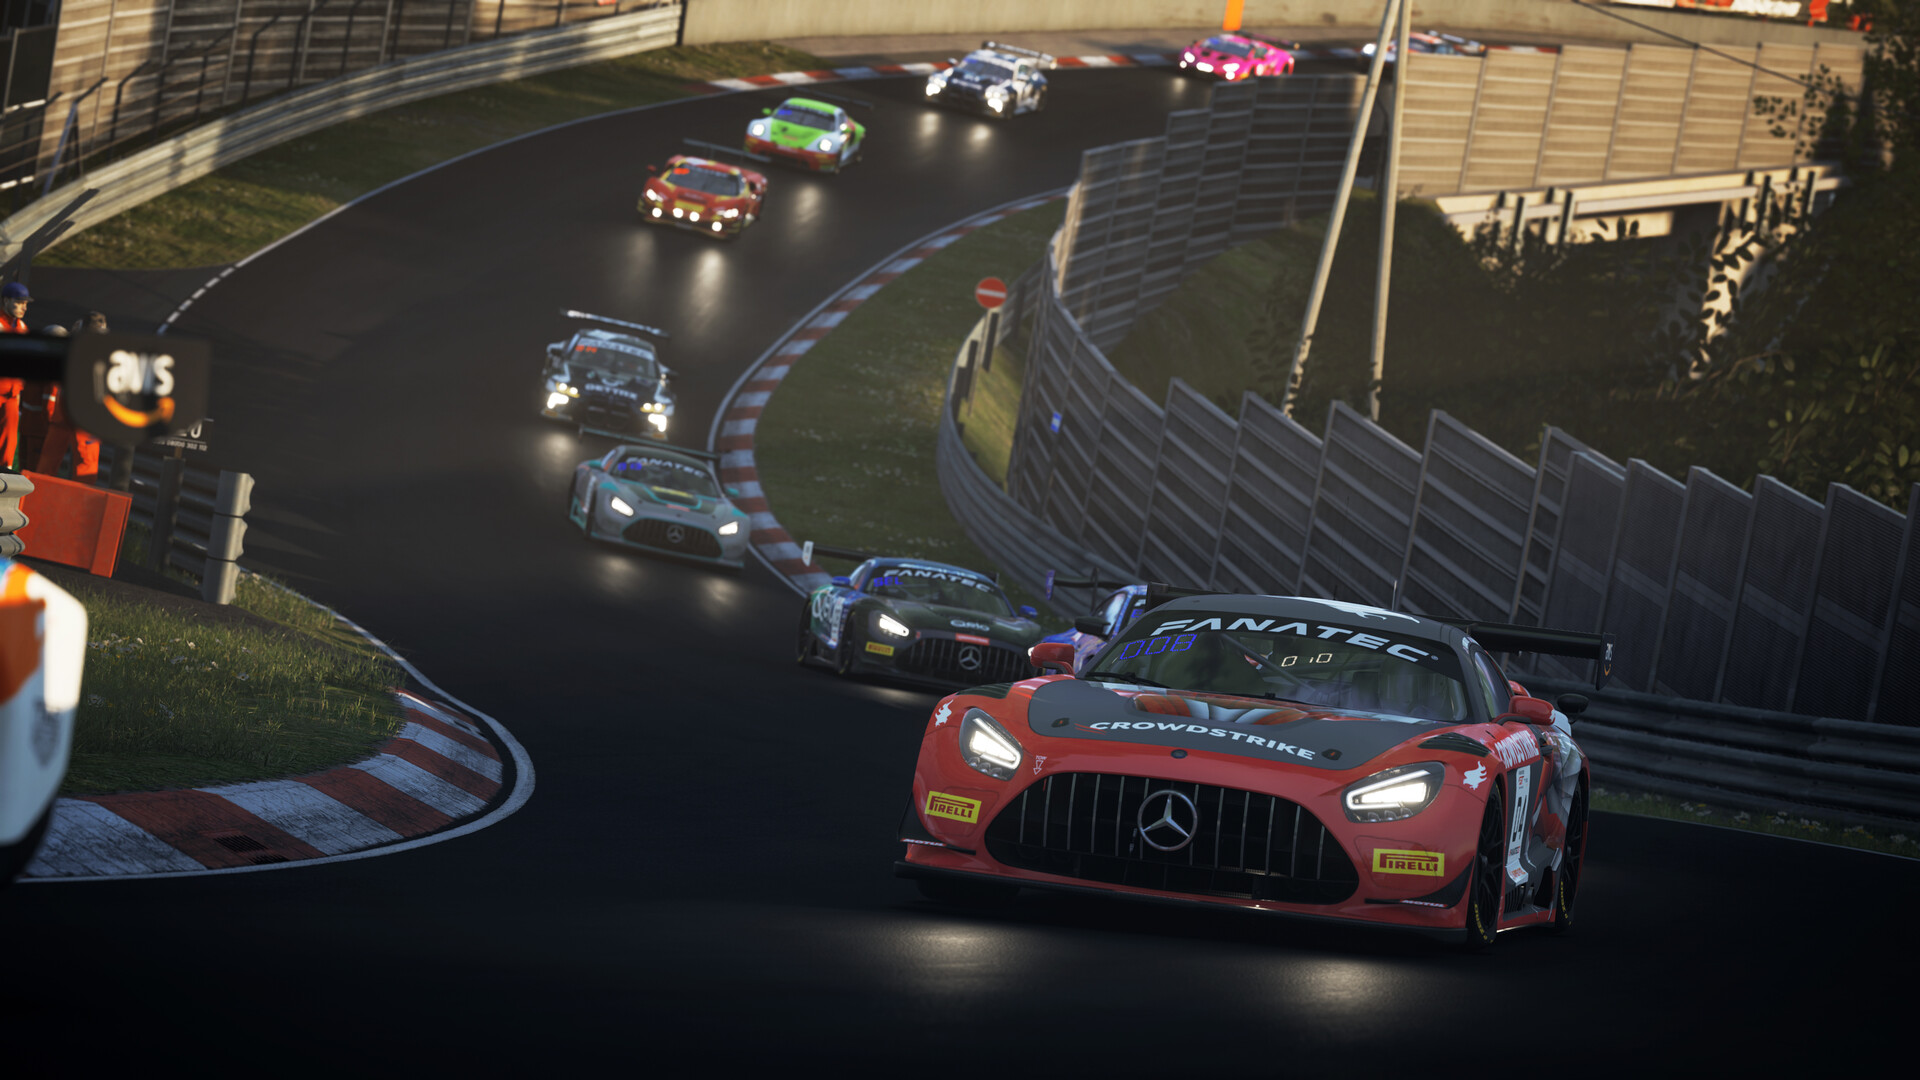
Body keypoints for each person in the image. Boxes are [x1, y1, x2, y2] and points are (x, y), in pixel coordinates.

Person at [35, 312, 105, 480]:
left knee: (49, 460)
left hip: (65, 409)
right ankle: (80, 496)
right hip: (84, 414)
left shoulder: (72, 345)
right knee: (85, 464)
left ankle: (37, 493)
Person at [0, 282, 28, 471]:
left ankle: (5, 474)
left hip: (12, 393)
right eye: (19, 302)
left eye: (25, 303)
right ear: (6, 301)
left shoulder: (22, 327)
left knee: (9, 439)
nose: (24, 307)